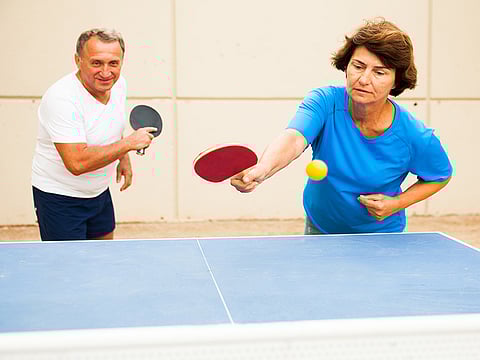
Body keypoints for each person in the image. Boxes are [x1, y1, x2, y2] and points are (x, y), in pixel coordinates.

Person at [231, 18, 452, 234]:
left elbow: (440, 175)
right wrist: (263, 168)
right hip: (320, 226)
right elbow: (294, 138)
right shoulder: (325, 102)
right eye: (358, 66)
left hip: (380, 236)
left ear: (396, 81)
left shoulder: (413, 134)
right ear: (346, 67)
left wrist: (397, 203)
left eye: (379, 72)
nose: (364, 79)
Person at [32, 28, 157, 241]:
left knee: (103, 258)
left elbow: (110, 122)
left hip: (99, 192)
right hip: (61, 197)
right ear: (78, 60)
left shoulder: (118, 85)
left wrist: (123, 158)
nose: (106, 72)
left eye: (113, 63)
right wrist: (127, 145)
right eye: (96, 63)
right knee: (69, 269)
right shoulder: (62, 99)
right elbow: (77, 163)